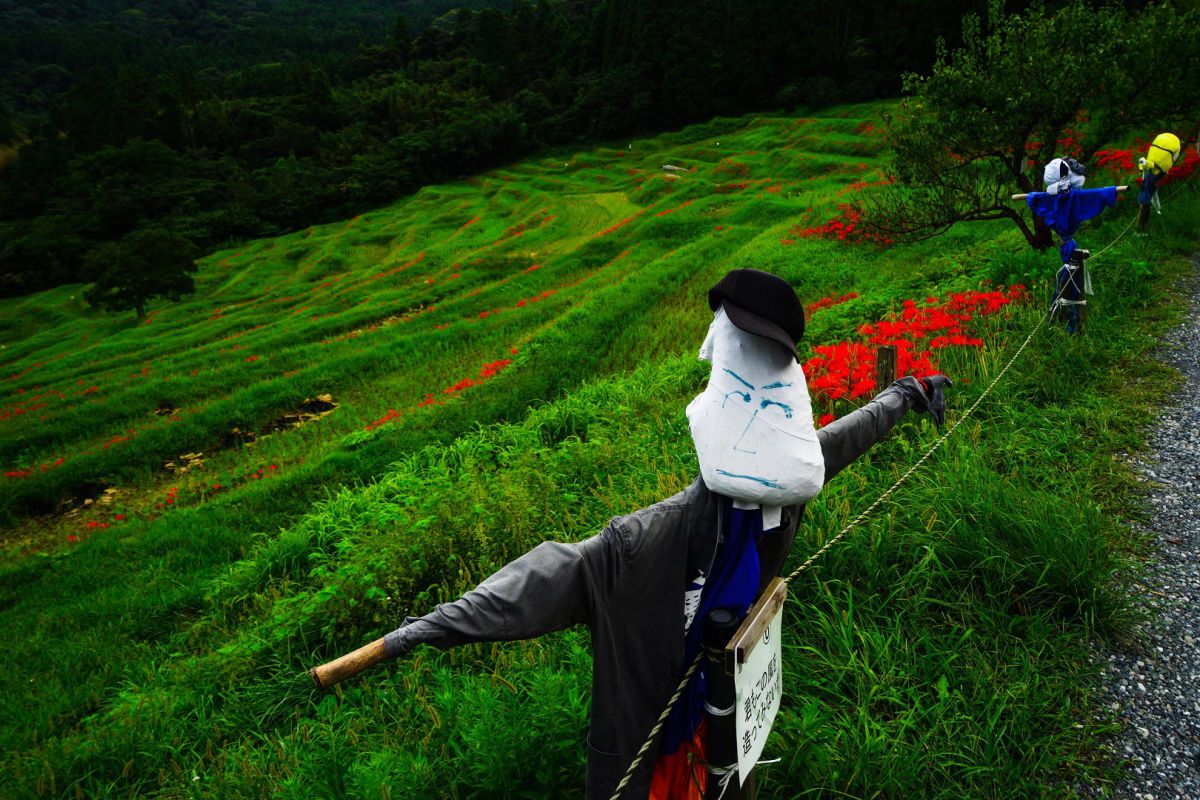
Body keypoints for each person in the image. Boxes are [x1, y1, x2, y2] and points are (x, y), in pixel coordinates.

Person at [317, 269, 950, 799]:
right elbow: (546, 577)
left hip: (728, 709)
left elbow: (844, 439)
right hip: (652, 748)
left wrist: (906, 394)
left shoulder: (785, 493)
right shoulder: (644, 543)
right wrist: (423, 629)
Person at [1136, 132, 1182, 232]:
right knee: (1148, 192)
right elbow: (1174, 158)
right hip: (1158, 167)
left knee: (1146, 196)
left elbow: (1146, 164)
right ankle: (1143, 225)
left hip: (1154, 167)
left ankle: (1142, 228)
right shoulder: (1175, 146)